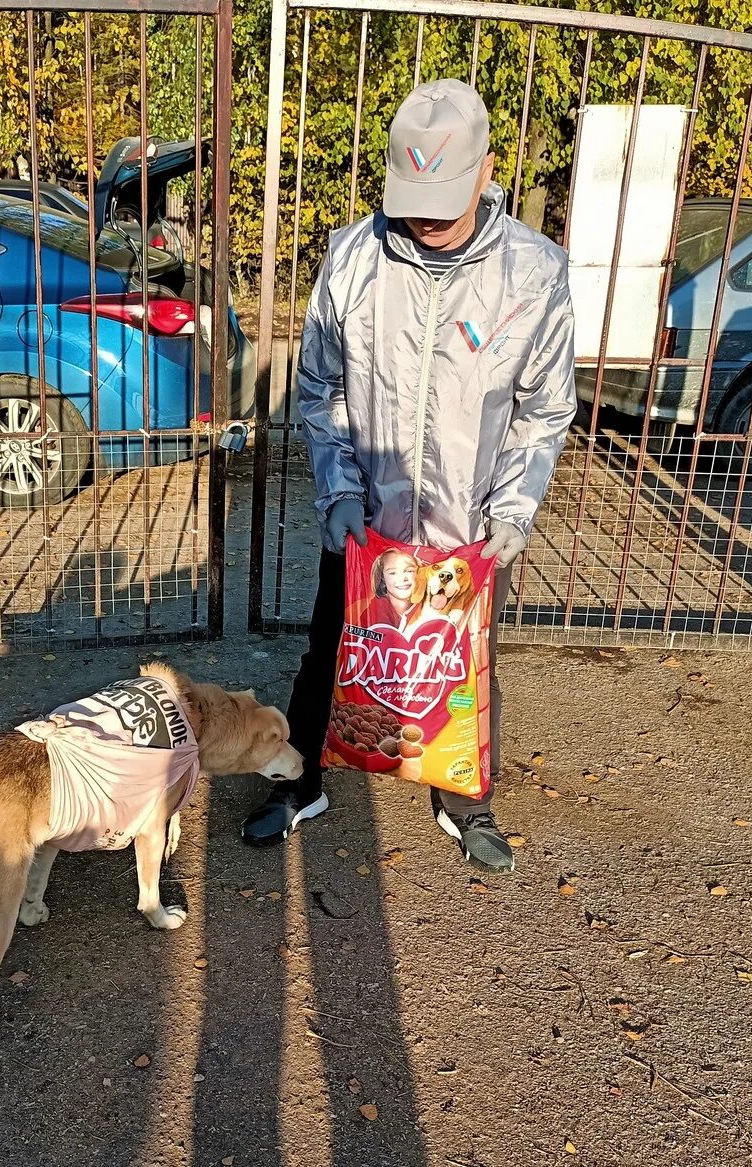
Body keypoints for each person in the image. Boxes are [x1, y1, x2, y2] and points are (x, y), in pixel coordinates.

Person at [242, 79, 577, 873]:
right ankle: (304, 781)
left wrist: (514, 509)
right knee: (335, 646)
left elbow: (545, 408)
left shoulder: (533, 273)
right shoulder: (356, 257)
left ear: (488, 169)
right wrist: (339, 491)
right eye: (412, 196)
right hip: (366, 518)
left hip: (468, 526)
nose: (425, 217)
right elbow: (318, 387)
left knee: (464, 659)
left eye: (444, 197)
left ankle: (465, 799)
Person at [362, 547, 422, 628]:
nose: (403, 578)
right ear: (382, 578)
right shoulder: (371, 614)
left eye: (409, 571)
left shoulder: (428, 608)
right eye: (393, 573)